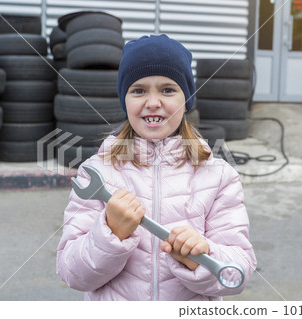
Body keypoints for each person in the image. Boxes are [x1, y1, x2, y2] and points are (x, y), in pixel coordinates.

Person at [56, 34, 256, 301]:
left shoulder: (219, 177)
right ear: (124, 99)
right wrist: (110, 233)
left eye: (167, 89)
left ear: (186, 100)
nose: (152, 102)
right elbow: (72, 273)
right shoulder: (99, 172)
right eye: (138, 90)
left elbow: (236, 274)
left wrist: (201, 258)